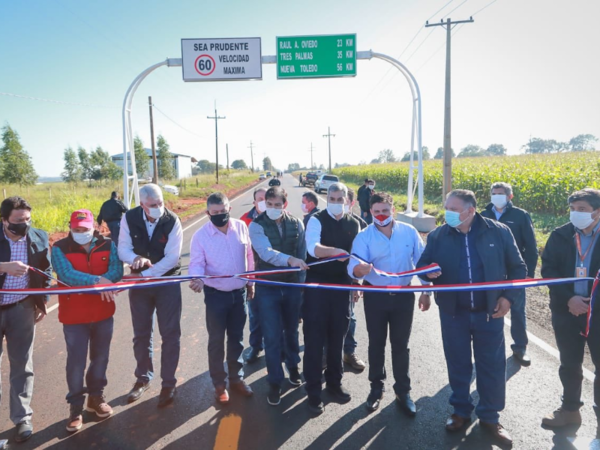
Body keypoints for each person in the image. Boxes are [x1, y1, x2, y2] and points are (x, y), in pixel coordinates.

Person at [417, 189, 526, 447]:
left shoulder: (498, 232)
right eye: (446, 208)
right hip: (454, 314)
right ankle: (461, 412)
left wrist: (508, 298)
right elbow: (423, 265)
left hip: (490, 313)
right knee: (458, 364)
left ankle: (490, 416)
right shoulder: (438, 235)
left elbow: (518, 268)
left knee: (492, 365)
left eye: (453, 209)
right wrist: (428, 274)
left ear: (470, 210)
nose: (448, 214)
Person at [349, 192, 430, 417]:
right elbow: (353, 265)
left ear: (392, 209)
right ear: (371, 212)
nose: (381, 215)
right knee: (376, 343)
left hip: (404, 296)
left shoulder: (409, 232)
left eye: (385, 210)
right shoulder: (364, 236)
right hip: (375, 296)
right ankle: (376, 388)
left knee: (401, 345)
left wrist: (426, 291)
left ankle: (403, 391)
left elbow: (421, 263)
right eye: (377, 211)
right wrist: (358, 270)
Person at [51, 209, 123, 432]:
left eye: (85, 229)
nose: (80, 233)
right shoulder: (59, 248)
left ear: (95, 228)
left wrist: (106, 280)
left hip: (103, 313)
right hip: (74, 316)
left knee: (100, 358)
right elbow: (66, 275)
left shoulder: (108, 244)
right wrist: (97, 281)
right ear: (70, 228)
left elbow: (116, 269)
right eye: (76, 229)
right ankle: (75, 408)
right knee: (76, 362)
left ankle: (95, 398)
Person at [541, 188, 600, 437]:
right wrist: (570, 299)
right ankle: (569, 411)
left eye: (583, 210)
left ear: (597, 212)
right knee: (569, 364)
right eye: (573, 209)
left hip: (597, 314)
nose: (576, 214)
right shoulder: (561, 234)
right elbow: (549, 271)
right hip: (567, 311)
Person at [118, 183, 183, 408]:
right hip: (140, 286)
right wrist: (135, 258)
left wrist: (145, 273)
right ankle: (143, 378)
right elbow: (122, 248)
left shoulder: (172, 220)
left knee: (171, 334)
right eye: (152, 205)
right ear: (142, 205)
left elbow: (172, 258)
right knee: (141, 334)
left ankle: (168, 384)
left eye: (160, 203)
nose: (158, 208)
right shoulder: (129, 218)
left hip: (166, 281)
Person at [189, 193, 255, 405]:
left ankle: (237, 379)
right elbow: (197, 263)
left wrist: (251, 282)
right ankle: (219, 385)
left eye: (223, 211)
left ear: (229, 208)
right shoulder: (200, 236)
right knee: (216, 341)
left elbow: (249, 257)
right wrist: (197, 279)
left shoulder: (241, 227)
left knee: (237, 339)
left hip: (239, 293)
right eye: (215, 212)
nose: (219, 215)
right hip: (216, 296)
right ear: (208, 213)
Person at [303, 183, 362, 415]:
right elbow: (313, 249)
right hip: (317, 288)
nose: (337, 202)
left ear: (348, 200)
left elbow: (357, 257)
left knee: (338, 338)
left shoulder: (354, 223)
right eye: (332, 197)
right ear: (326, 198)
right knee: (315, 341)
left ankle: (334, 385)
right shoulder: (316, 219)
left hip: (342, 287)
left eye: (341, 198)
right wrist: (334, 252)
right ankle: (314, 391)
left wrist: (356, 283)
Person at [249, 186, 307, 406]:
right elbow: (265, 253)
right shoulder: (256, 226)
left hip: (292, 286)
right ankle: (275, 381)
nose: (273, 208)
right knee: (272, 335)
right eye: (269, 204)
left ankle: (293, 368)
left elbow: (302, 255)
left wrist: (301, 287)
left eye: (277, 204)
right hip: (268, 288)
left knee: (291, 330)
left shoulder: (296, 224)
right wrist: (290, 260)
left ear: (285, 204)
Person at [0, 197, 51, 443]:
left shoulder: (39, 237)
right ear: (4, 220)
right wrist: (3, 267)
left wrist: (42, 301)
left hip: (22, 308)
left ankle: (22, 418)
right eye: (19, 221)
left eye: (28, 220)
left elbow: (46, 271)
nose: (25, 225)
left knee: (22, 364)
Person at [481, 182, 538, 366]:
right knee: (488, 308)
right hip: (490, 273)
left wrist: (528, 273)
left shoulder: (520, 215)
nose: (496, 196)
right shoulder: (483, 215)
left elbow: (531, 246)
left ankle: (520, 347)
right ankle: (487, 348)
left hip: (515, 271)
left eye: (500, 193)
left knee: (517, 310)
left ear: (509, 196)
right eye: (494, 193)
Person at [240, 187, 267, 363]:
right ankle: (256, 347)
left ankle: (278, 348)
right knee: (255, 314)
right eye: (260, 199)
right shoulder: (244, 220)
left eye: (266, 198)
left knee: (276, 316)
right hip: (254, 275)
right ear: (254, 202)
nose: (263, 202)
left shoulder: (280, 216)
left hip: (274, 275)